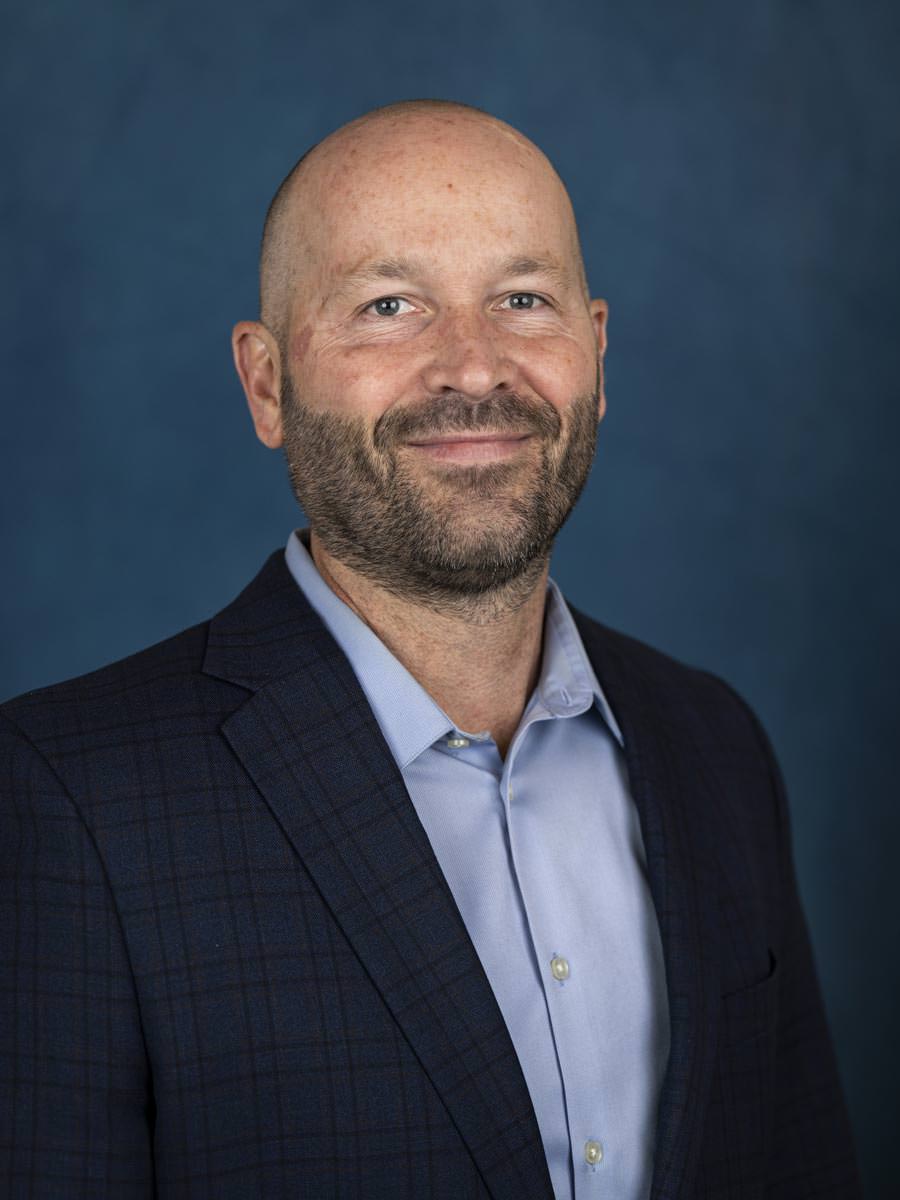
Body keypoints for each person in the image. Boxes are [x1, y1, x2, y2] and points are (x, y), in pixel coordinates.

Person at [0, 100, 859, 1200]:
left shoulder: (717, 746)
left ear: (598, 353)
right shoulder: (65, 797)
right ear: (267, 383)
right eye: (389, 306)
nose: (475, 367)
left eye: (522, 299)